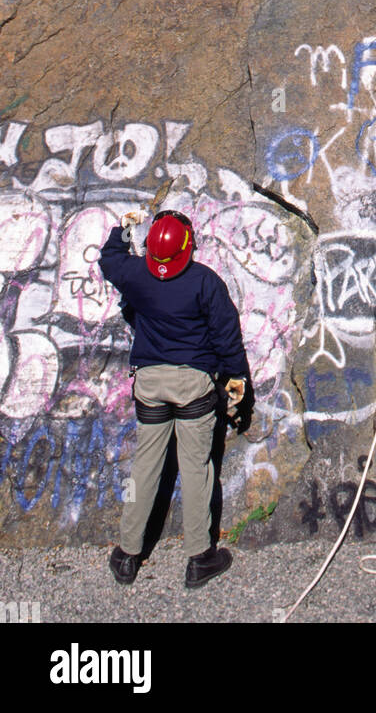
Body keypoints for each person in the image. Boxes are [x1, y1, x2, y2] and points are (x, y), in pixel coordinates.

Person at [100, 208, 251, 589]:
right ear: (188, 245)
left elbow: (110, 260)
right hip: (193, 387)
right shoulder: (205, 282)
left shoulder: (135, 275)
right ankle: (200, 558)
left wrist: (124, 228)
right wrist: (237, 378)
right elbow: (226, 336)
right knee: (197, 469)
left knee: (143, 469)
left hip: (150, 385)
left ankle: (127, 554)